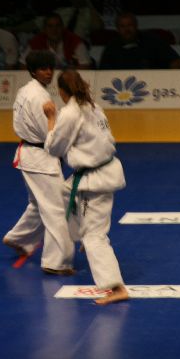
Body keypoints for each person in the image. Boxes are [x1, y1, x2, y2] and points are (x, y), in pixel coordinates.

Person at [43, 69, 128, 305]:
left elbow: (55, 148)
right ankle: (82, 234)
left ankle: (116, 287)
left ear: (62, 91)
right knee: (64, 193)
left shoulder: (70, 113)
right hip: (103, 170)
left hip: (94, 179)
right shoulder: (93, 106)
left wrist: (51, 119)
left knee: (94, 236)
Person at [3, 51, 75, 276]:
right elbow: (50, 135)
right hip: (41, 157)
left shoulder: (25, 91)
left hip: (28, 155)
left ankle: (19, 238)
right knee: (56, 209)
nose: (48, 72)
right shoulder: (40, 98)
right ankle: (55, 262)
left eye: (50, 68)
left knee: (38, 203)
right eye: (43, 68)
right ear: (33, 71)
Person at [99, 11, 180, 69]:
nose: (127, 29)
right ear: (117, 29)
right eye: (122, 26)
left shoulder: (152, 40)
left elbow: (175, 61)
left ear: (136, 26)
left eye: (130, 25)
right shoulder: (111, 47)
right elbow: (103, 72)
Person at [21, 13, 92, 70]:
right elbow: (22, 64)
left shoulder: (74, 41)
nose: (54, 30)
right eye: (50, 26)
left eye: (58, 25)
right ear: (44, 29)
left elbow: (85, 66)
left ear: (62, 27)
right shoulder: (36, 42)